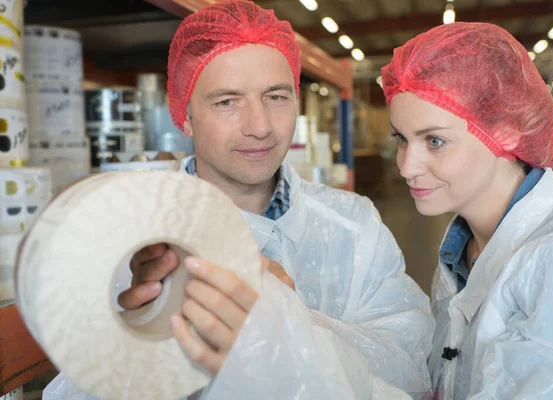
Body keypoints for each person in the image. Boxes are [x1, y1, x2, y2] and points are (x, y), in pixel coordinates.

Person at [43, 1, 434, 399]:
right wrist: (144, 340)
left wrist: (286, 322)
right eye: (227, 101)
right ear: (184, 115)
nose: (260, 127)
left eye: (276, 97)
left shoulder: (353, 224)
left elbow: (410, 370)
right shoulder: (132, 244)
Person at [381, 21, 553, 399]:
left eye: (434, 141)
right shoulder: (462, 250)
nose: (406, 166)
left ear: (507, 132)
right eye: (402, 138)